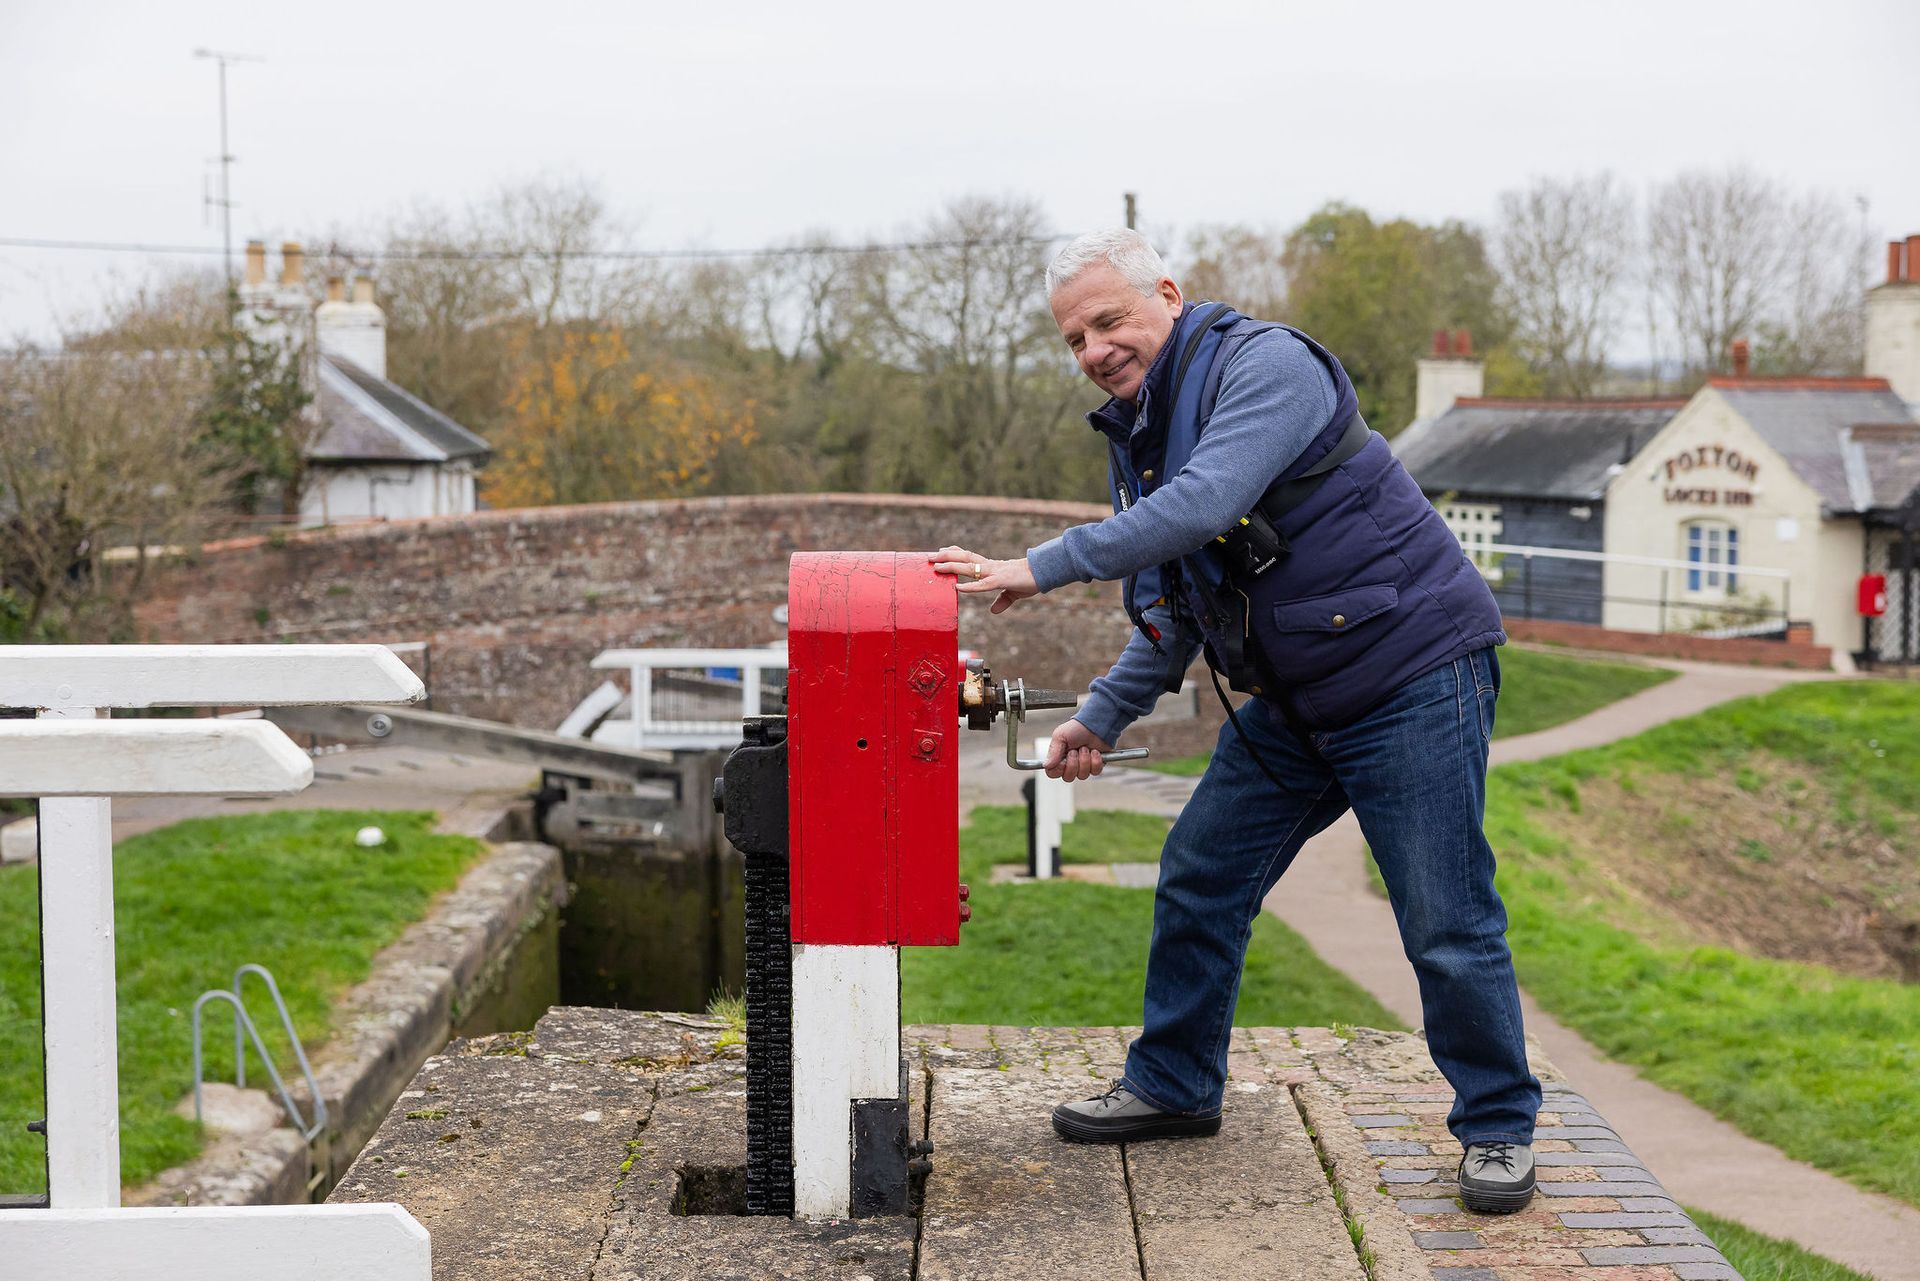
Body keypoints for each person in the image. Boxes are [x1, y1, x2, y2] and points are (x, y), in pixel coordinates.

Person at [930, 228, 1541, 1215]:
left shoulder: (1269, 368)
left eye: (1109, 321)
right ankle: (1174, 1085)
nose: (1093, 350)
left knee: (1443, 923)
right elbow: (1177, 604)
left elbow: (1205, 505)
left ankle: (1500, 1124)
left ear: (1167, 295)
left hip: (1412, 675)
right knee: (1203, 871)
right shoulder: (1140, 431)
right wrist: (1101, 716)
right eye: (1074, 339)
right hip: (1298, 701)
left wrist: (1039, 566)